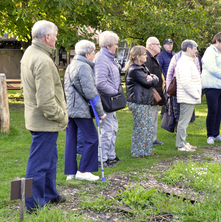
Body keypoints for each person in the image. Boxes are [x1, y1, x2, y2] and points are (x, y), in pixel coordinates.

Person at [21, 20, 68, 212]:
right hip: (45, 121)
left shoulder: (31, 53)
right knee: (39, 164)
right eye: (55, 35)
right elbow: (46, 101)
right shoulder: (43, 60)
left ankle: (49, 194)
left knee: (49, 159)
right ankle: (32, 205)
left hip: (39, 119)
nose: (57, 39)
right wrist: (62, 117)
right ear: (47, 37)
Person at [64, 40, 107, 181]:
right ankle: (84, 171)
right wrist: (101, 112)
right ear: (87, 54)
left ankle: (71, 172)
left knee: (71, 139)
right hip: (80, 109)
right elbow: (90, 92)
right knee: (92, 138)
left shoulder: (71, 65)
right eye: (94, 53)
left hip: (71, 107)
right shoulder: (84, 67)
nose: (95, 56)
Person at [94, 31, 123, 167]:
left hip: (112, 100)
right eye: (116, 44)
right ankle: (102, 159)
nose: (117, 47)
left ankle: (111, 156)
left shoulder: (110, 57)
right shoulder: (101, 58)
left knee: (113, 127)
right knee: (107, 130)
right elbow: (100, 82)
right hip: (107, 100)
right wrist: (114, 93)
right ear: (108, 45)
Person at [125, 45, 158, 158]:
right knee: (141, 128)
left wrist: (152, 78)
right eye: (144, 54)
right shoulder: (134, 69)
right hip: (138, 102)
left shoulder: (142, 67)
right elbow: (147, 82)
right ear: (138, 57)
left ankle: (147, 151)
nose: (146, 56)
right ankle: (137, 152)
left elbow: (154, 78)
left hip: (144, 102)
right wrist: (151, 79)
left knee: (148, 127)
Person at [176, 40, 201, 152]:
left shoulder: (188, 60)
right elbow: (186, 82)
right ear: (188, 49)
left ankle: (184, 142)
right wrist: (196, 94)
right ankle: (181, 145)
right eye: (196, 48)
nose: (197, 50)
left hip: (189, 96)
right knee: (183, 122)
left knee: (185, 122)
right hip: (187, 97)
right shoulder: (184, 62)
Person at [144, 36, 165, 146]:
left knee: (154, 117)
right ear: (150, 46)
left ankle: (152, 138)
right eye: (157, 44)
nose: (160, 46)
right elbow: (146, 77)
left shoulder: (152, 58)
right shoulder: (146, 58)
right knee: (150, 118)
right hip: (151, 94)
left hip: (155, 94)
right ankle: (149, 139)